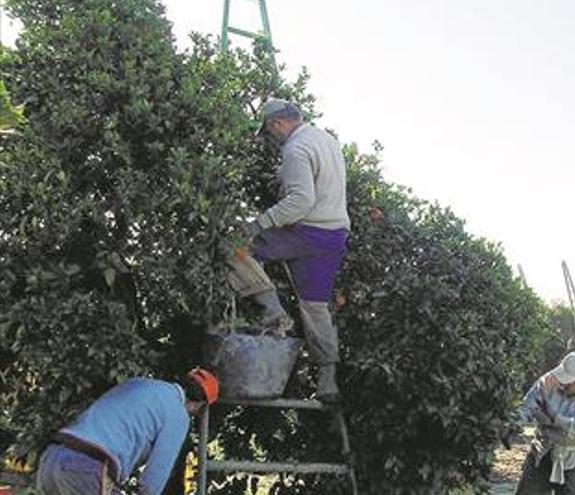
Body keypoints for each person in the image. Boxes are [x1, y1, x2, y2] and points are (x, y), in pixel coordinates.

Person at [226, 97, 350, 404]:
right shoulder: (326, 140)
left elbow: (301, 202)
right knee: (315, 306)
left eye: (269, 133)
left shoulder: (294, 148)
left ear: (277, 124)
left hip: (304, 232)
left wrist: (258, 225)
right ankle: (327, 379)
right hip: (333, 235)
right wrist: (285, 178)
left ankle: (274, 313)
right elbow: (319, 185)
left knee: (232, 250)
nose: (271, 139)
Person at [36, 369, 219, 495]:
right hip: (86, 469)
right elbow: (153, 479)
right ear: (200, 406)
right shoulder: (178, 415)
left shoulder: (140, 383)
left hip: (52, 458)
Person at [515, 352, 575, 495]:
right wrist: (513, 423)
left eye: (567, 383)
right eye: (561, 379)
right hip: (544, 449)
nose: (561, 384)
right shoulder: (548, 381)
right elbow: (527, 406)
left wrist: (556, 418)